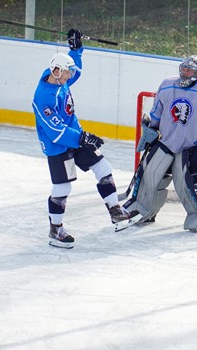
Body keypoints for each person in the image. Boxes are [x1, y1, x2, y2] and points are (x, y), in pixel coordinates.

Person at [32, 28, 140, 249]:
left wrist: (76, 49)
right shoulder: (43, 96)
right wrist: (82, 137)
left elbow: (76, 70)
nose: (71, 76)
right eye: (66, 73)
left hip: (77, 138)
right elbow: (56, 131)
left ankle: (116, 212)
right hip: (58, 147)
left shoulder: (60, 79)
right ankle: (55, 230)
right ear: (55, 71)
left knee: (103, 167)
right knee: (62, 189)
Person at [123, 55, 197, 232]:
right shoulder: (167, 84)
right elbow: (157, 111)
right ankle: (143, 210)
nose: (185, 73)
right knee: (150, 175)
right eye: (183, 69)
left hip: (190, 147)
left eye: (190, 70)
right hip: (166, 142)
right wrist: (150, 127)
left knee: (185, 183)